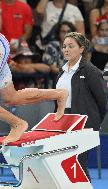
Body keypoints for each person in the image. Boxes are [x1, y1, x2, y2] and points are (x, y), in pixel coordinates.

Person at [56, 32, 107, 180]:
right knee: (64, 163)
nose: (66, 49)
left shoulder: (91, 71)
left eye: (71, 46)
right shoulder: (61, 72)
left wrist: (93, 122)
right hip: (63, 121)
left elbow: (102, 102)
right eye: (64, 46)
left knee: (78, 163)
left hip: (83, 122)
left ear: (81, 49)